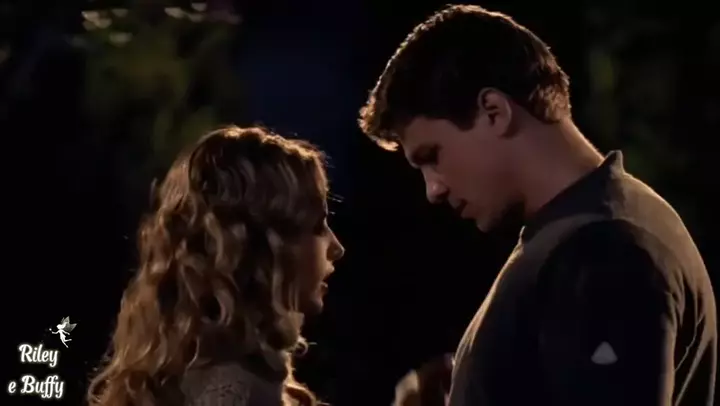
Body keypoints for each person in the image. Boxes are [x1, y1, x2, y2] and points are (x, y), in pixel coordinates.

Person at [358, 4, 716, 406]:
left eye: (432, 156)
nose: (433, 190)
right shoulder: (587, 234)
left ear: (494, 112)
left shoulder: (603, 248)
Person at [87, 126, 345, 406]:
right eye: (317, 225)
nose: (337, 248)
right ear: (263, 246)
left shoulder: (185, 373)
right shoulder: (239, 392)